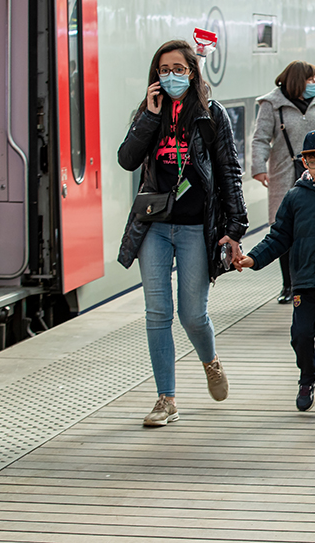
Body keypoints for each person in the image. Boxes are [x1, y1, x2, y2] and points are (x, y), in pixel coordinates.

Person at [117, 39, 248, 427]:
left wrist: (235, 228)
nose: (171, 76)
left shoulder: (211, 116)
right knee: (158, 313)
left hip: (196, 227)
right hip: (154, 226)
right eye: (164, 69)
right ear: (155, 76)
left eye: (178, 69)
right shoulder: (148, 113)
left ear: (192, 72)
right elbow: (127, 159)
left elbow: (229, 172)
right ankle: (166, 399)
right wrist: (151, 117)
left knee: (193, 314)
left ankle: (210, 360)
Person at [234, 130, 315, 418]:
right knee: (301, 334)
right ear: (303, 162)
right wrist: (254, 259)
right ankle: (308, 379)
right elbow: (279, 236)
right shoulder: (295, 197)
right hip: (304, 280)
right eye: (312, 162)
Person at [251, 61, 315, 305]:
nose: (314, 84)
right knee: (285, 227)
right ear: (298, 81)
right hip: (284, 172)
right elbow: (260, 138)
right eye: (310, 80)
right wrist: (258, 168)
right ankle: (288, 284)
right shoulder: (272, 104)